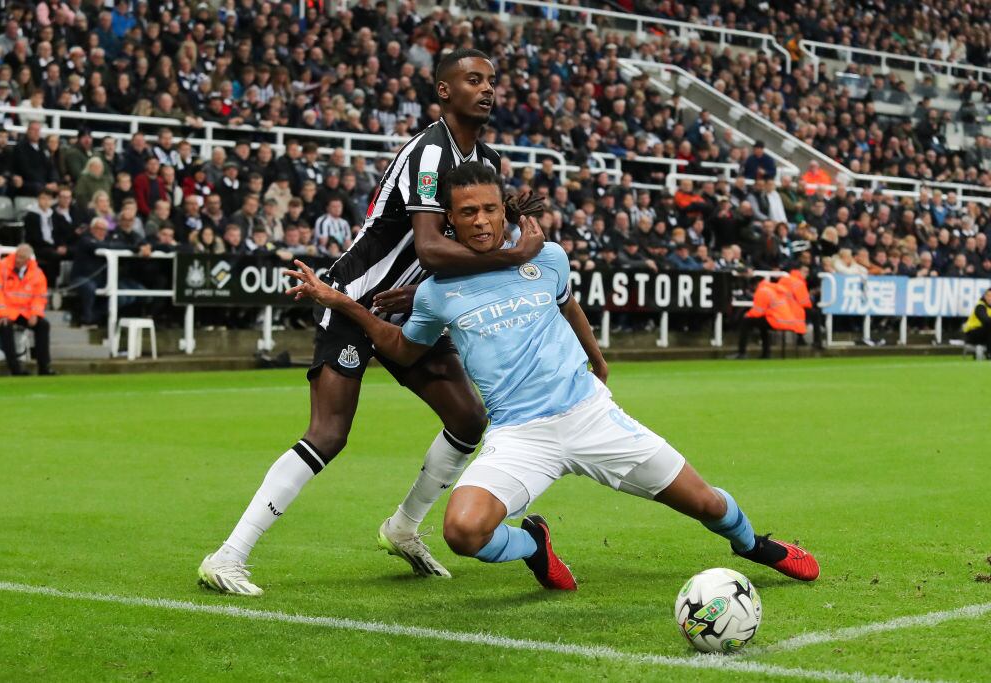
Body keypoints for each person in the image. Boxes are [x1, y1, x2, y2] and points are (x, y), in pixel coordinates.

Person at [284, 162, 819, 590]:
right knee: (463, 532)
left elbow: (569, 306)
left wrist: (597, 357)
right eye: (467, 212)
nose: (480, 221)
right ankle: (533, 546)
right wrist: (342, 303)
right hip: (520, 436)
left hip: (590, 416)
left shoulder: (548, 257)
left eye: (490, 208)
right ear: (449, 220)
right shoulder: (436, 292)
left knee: (707, 504)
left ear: (502, 209)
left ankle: (754, 546)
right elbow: (401, 346)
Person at [197, 48, 550, 595]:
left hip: (409, 303)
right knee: (329, 433)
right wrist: (513, 255)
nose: (487, 89)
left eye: (492, 81)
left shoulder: (487, 159)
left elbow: (450, 247)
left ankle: (404, 529)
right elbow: (433, 249)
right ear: (443, 91)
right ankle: (228, 555)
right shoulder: (430, 154)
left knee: (467, 420)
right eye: (473, 80)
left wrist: (429, 285)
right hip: (355, 300)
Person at [0, 243, 55, 375]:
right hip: (1, 311)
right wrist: (2, 314)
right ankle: (15, 368)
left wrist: (35, 314)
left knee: (43, 325)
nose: (18, 260)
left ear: (29, 260)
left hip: (23, 312)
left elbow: (39, 297)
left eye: (22, 258)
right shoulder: (2, 267)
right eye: (17, 256)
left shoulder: (37, 273)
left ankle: (44, 367)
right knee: (6, 327)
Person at [963, 288, 991, 359]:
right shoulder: (980, 306)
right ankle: (989, 353)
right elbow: (986, 320)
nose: (990, 298)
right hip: (972, 334)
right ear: (984, 296)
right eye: (989, 296)